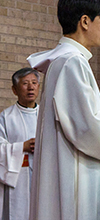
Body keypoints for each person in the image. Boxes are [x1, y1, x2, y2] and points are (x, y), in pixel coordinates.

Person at [26, 0, 100, 220]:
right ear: (85, 21)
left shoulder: (63, 61)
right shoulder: (71, 62)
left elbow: (79, 120)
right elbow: (87, 130)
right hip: (78, 179)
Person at [0, 68, 40, 219]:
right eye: (25, 83)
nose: (31, 87)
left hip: (43, 178)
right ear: (14, 90)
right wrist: (21, 147)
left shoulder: (46, 116)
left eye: (34, 83)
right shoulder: (6, 117)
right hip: (18, 181)